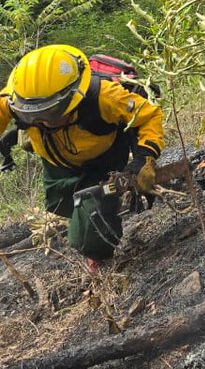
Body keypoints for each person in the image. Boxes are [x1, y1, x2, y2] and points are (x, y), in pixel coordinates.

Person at [0, 44, 164, 272]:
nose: (44, 121)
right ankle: (86, 218)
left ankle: (99, 256)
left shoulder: (105, 96)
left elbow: (149, 116)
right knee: (61, 204)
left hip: (103, 162)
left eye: (50, 113)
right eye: (34, 115)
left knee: (89, 235)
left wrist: (145, 157)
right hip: (56, 163)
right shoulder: (18, 95)